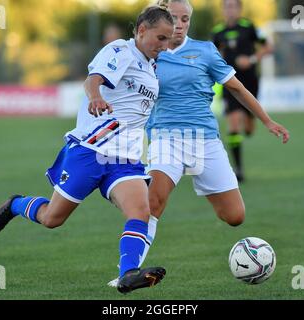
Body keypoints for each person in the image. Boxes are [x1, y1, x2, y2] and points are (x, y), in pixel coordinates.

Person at [0, 4, 175, 294]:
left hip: (124, 158)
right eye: (160, 38)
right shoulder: (121, 51)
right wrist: (96, 97)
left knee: (141, 210)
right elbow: (93, 79)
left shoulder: (152, 67)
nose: (164, 46)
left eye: (169, 40)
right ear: (141, 30)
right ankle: (15, 204)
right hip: (90, 150)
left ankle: (128, 275)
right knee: (52, 219)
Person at [107, 0, 289, 287]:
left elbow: (237, 88)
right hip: (165, 138)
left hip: (205, 141)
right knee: (152, 203)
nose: (179, 25)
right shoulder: (149, 54)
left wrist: (267, 121)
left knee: (235, 216)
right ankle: (128, 272)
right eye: (173, 18)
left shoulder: (205, 51)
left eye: (185, 19)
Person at [212, 0, 274, 182]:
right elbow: (212, 55)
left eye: (233, 7)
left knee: (248, 129)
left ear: (239, 9)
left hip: (250, 82)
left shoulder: (249, 27)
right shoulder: (217, 32)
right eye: (227, 7)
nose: (230, 10)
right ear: (223, 10)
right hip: (230, 83)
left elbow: (268, 46)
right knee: (233, 123)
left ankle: (250, 119)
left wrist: (252, 59)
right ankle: (238, 169)